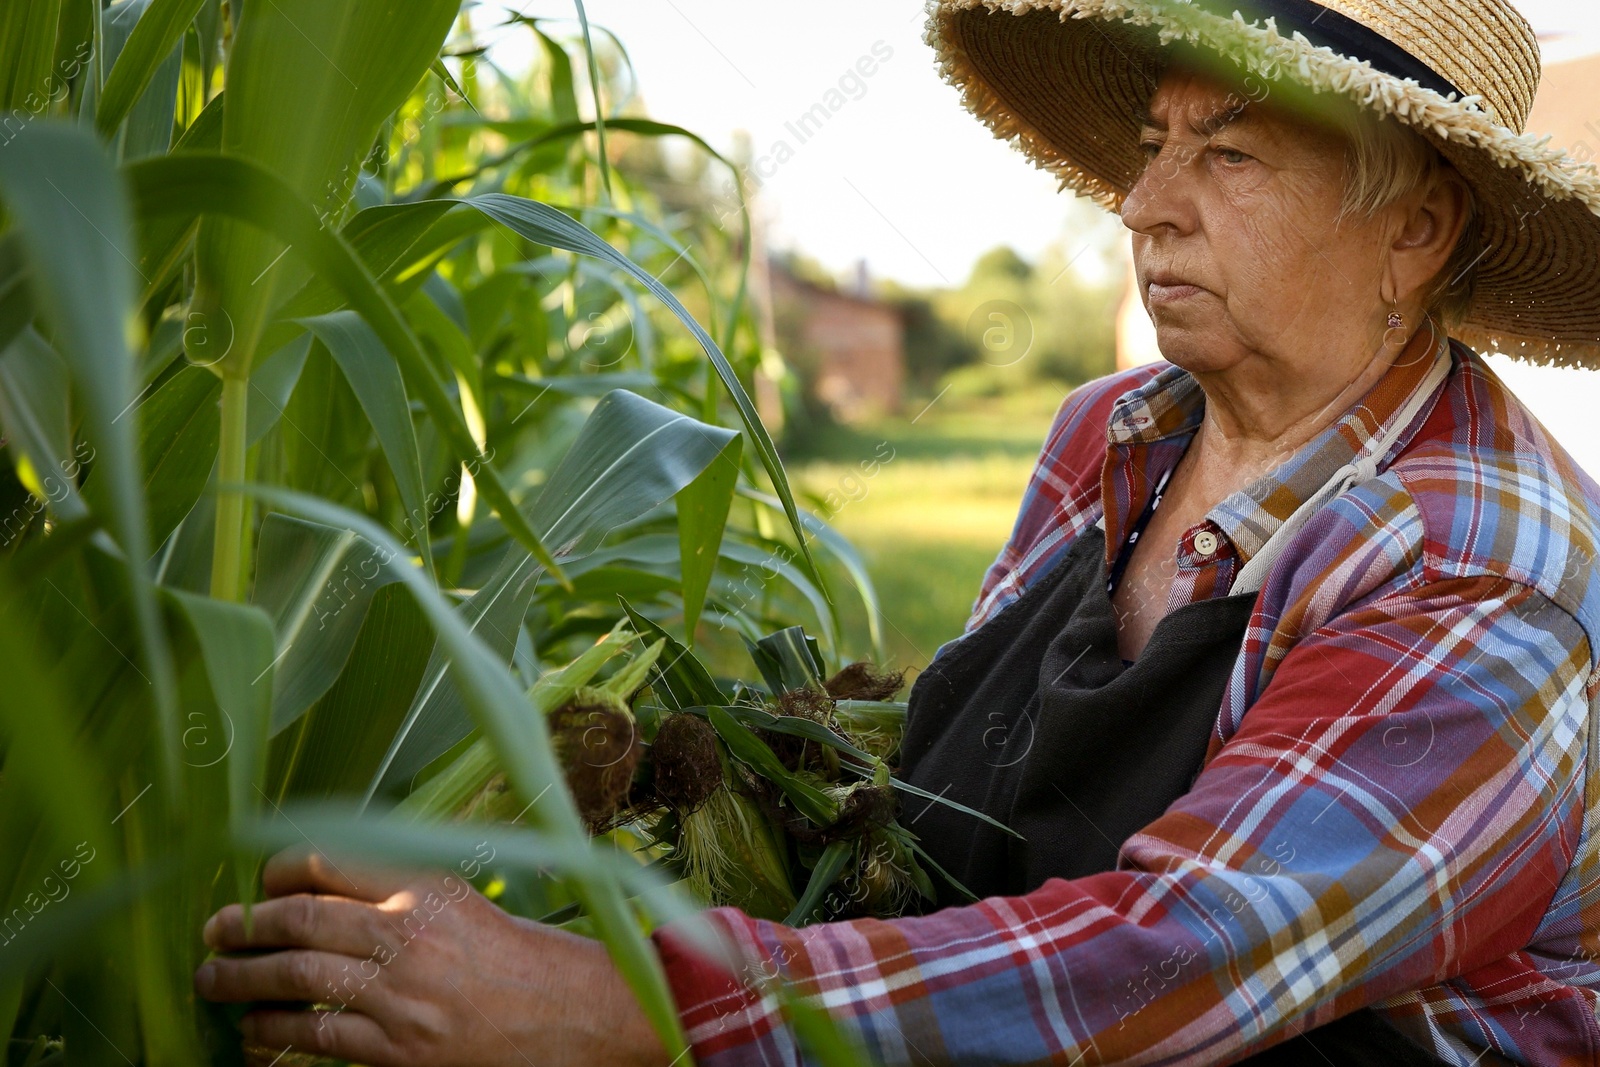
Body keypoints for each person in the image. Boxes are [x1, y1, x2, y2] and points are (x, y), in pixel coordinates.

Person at [193, 0, 1600, 1063]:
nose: (1146, 204)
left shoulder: (1479, 584)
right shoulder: (1114, 436)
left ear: (1416, 230)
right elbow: (962, 820)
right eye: (1156, 144)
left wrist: (609, 1004)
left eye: (1228, 154)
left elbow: (1180, 959)